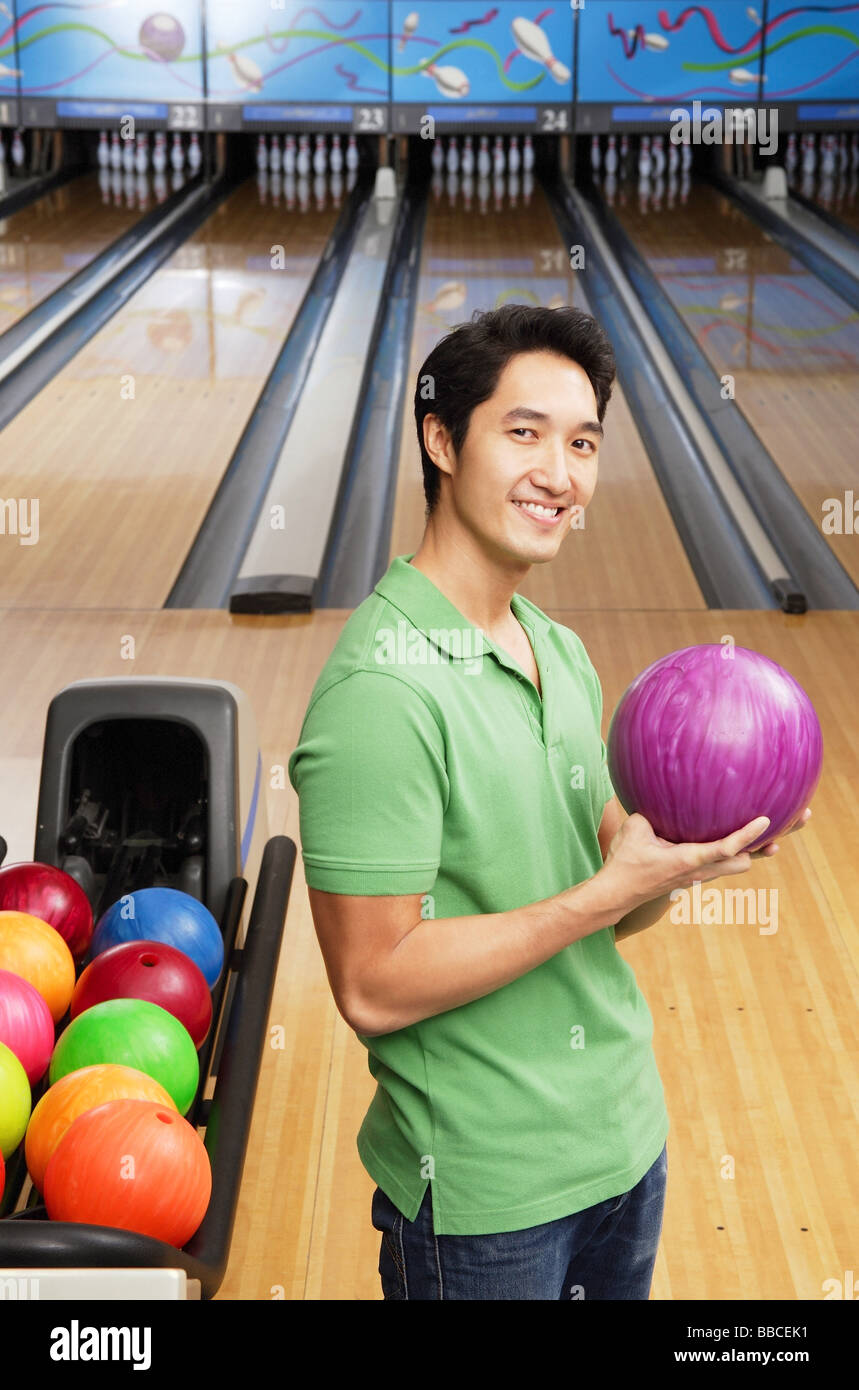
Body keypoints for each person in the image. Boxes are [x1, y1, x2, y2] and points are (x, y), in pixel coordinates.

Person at [287, 303, 808, 1300]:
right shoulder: (381, 694)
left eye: (581, 443)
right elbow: (373, 984)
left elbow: (616, 887)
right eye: (522, 433)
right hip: (484, 1199)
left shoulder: (557, 649)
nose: (559, 474)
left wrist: (690, 855)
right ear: (441, 438)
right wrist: (603, 896)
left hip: (621, 1145)